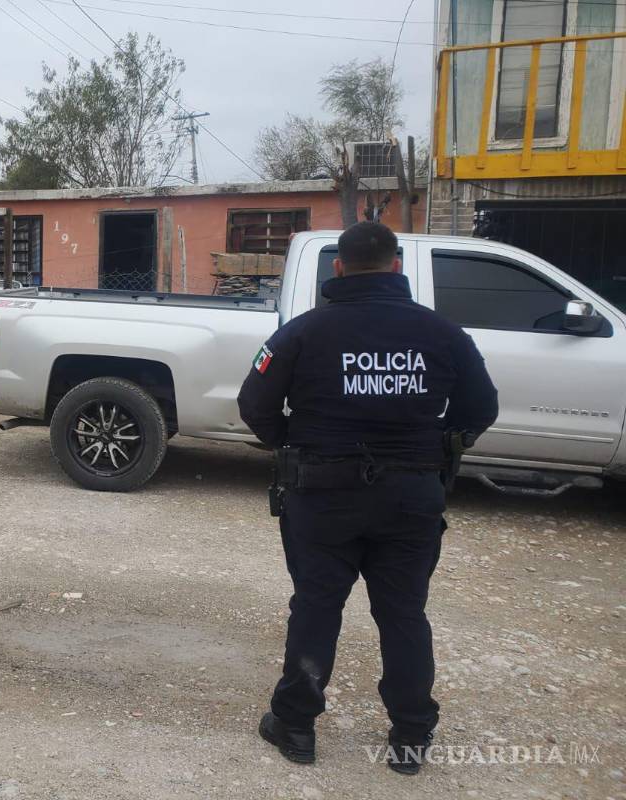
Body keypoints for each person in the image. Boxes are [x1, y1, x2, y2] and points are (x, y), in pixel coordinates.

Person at [237, 222, 498, 774]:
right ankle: (409, 738)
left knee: (316, 606)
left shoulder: (303, 332)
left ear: (339, 268)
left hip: (322, 494)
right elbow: (482, 409)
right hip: (412, 496)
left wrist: (292, 444)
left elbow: (254, 404)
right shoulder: (444, 334)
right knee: (404, 613)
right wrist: (437, 443)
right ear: (397, 267)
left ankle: (296, 726)